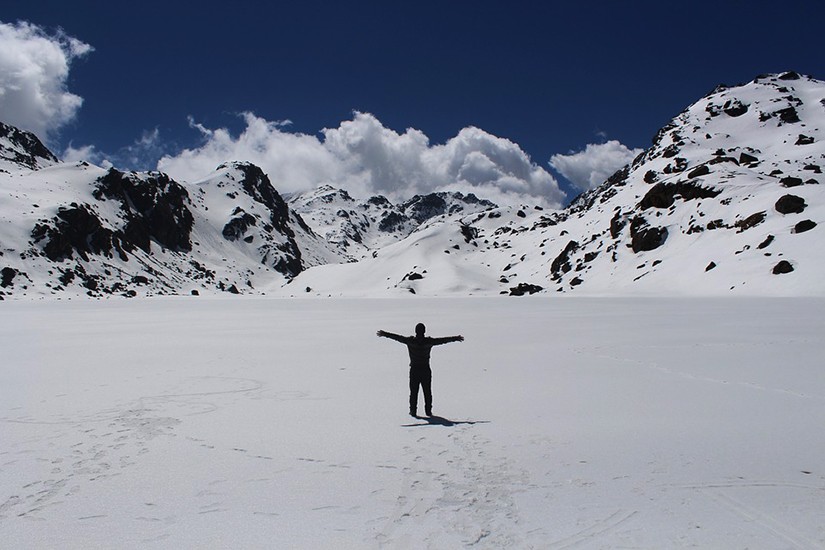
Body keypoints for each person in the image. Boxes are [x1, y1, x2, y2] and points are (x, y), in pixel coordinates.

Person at [377, 323, 464, 417]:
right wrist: (456, 338)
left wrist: (385, 334)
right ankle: (428, 411)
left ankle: (413, 411)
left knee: (414, 392)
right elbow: (443, 340)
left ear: (415, 331)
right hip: (425, 369)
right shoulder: (429, 341)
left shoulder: (410, 341)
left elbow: (397, 338)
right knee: (427, 391)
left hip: (414, 370)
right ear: (424, 331)